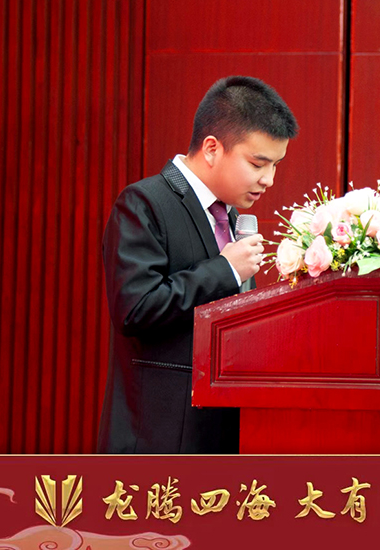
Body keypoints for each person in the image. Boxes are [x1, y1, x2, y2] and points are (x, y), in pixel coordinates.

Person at [97, 76, 298, 453]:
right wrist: (225, 270)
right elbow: (135, 309)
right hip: (160, 441)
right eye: (258, 163)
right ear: (211, 148)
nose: (269, 179)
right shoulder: (144, 203)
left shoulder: (229, 216)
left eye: (276, 165)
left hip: (222, 436)